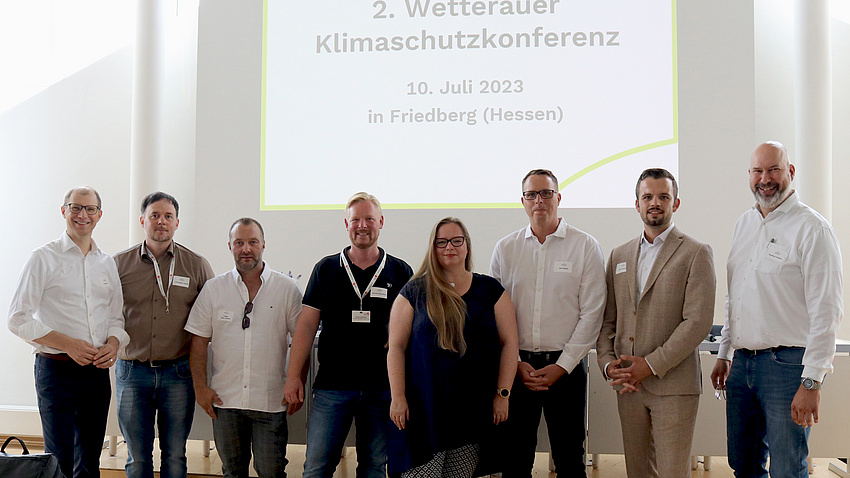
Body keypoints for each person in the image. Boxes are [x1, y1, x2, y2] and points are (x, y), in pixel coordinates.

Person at [711, 141, 843, 477]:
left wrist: (812, 382)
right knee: (743, 464)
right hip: (741, 367)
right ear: (750, 175)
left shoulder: (813, 229)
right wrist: (725, 352)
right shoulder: (744, 224)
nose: (765, 179)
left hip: (787, 369)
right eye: (757, 171)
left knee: (787, 467)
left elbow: (827, 310)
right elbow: (735, 296)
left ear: (790, 172)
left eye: (773, 170)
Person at [283, 192, 413, 478]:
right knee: (316, 467)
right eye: (356, 219)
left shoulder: (400, 271)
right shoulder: (326, 268)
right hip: (332, 387)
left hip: (383, 388)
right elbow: (305, 327)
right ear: (346, 223)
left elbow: (410, 336)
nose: (362, 226)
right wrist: (294, 376)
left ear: (381, 222)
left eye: (369, 219)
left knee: (374, 468)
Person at [596, 168, 715, 477]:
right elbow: (608, 321)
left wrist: (648, 365)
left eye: (663, 196)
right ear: (637, 204)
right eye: (647, 196)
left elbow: (697, 322)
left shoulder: (695, 252)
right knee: (637, 471)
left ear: (675, 203)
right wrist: (609, 364)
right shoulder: (618, 255)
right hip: (628, 388)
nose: (655, 203)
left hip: (673, 385)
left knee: (673, 472)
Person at [490, 169, 606, 477]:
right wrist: (513, 361)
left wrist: (562, 365)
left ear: (558, 197)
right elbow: (496, 315)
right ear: (523, 201)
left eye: (545, 193)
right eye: (531, 194)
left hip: (565, 371)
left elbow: (592, 313)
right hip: (517, 370)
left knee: (569, 459)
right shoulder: (506, 249)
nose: (538, 200)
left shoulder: (585, 246)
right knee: (515, 462)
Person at [8, 186, 128, 478]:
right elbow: (17, 318)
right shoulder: (43, 257)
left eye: (90, 209)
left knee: (89, 460)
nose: (82, 215)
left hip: (96, 373)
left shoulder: (106, 263)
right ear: (64, 211)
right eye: (76, 207)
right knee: (59, 459)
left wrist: (113, 343)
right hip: (55, 371)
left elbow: (116, 318)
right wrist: (68, 344)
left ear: (99, 215)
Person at [387, 218, 519, 478]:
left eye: (457, 241)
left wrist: (503, 394)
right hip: (424, 412)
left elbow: (510, 343)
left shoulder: (490, 290)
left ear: (467, 246)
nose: (450, 247)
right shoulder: (414, 291)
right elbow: (396, 348)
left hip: (471, 413)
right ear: (433, 249)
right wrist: (398, 397)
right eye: (442, 242)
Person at [185, 218, 303, 478]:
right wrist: (200, 388)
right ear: (230, 246)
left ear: (263, 245)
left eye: (252, 242)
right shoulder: (214, 289)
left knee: (271, 471)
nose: (246, 249)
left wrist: (297, 381)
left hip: (271, 400)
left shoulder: (287, 289)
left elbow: (301, 341)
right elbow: (198, 342)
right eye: (239, 243)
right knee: (232, 471)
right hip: (225, 400)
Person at [113, 191, 214, 478]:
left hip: (177, 373)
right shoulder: (119, 264)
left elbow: (210, 318)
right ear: (142, 220)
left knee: (175, 456)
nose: (161, 221)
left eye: (168, 216)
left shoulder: (196, 264)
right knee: (137, 458)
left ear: (177, 223)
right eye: (155, 215)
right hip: (132, 373)